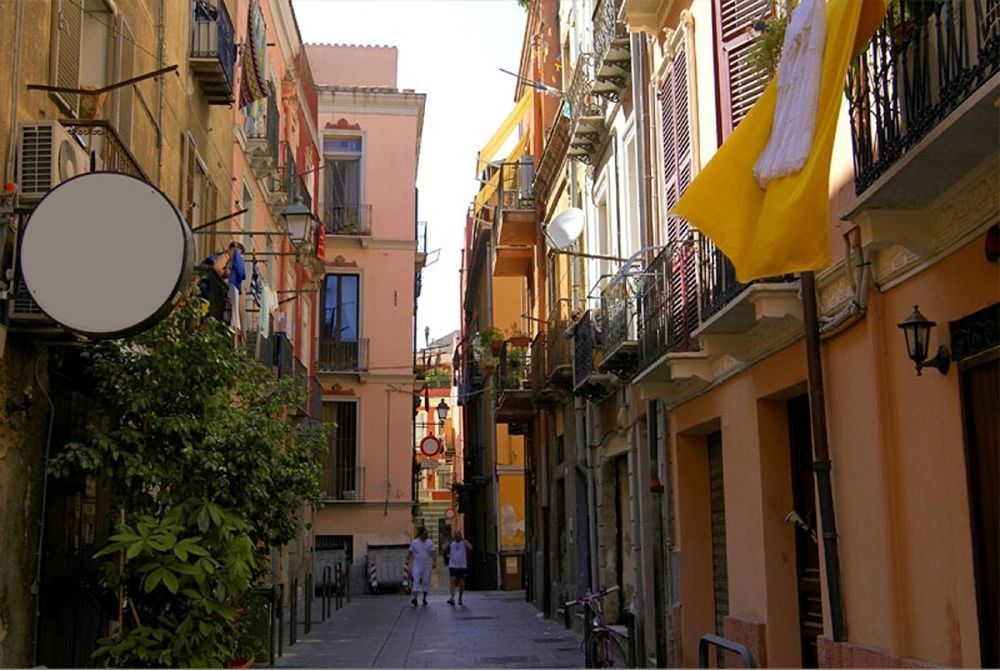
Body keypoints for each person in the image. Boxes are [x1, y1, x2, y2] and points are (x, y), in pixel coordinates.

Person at [406, 527, 436, 607]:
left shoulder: (429, 542)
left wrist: (434, 561)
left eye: (426, 534)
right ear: (420, 534)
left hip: (426, 565)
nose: (426, 535)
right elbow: (410, 551)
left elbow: (433, 552)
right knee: (416, 580)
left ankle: (424, 598)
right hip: (417, 565)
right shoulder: (414, 542)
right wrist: (408, 560)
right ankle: (415, 598)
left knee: (426, 582)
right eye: (424, 534)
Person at [444, 529, 472, 606]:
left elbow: (470, 548)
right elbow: (445, 549)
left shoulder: (464, 542)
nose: (457, 537)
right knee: (452, 580)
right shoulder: (451, 543)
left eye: (458, 535)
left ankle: (460, 597)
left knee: (461, 581)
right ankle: (452, 598)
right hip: (453, 565)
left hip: (462, 566)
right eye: (456, 535)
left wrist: (465, 542)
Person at [226, 241, 246, 333]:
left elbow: (238, 271)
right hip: (236, 284)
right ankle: (235, 325)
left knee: (234, 304)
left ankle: (235, 324)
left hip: (234, 282)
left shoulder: (236, 260)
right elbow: (242, 273)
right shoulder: (238, 261)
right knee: (234, 304)